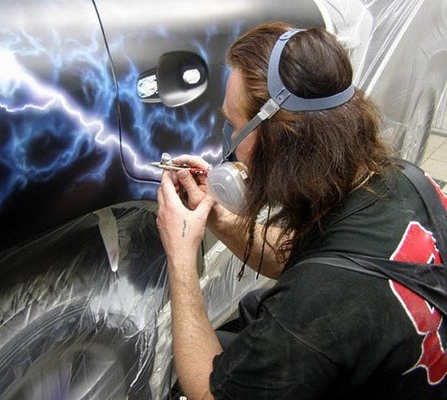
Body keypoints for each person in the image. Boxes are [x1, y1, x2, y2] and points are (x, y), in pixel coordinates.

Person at [156, 21, 447, 399]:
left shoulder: (312, 310)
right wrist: (220, 218)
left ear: (282, 139)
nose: (230, 144)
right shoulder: (404, 181)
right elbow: (309, 256)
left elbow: (211, 395)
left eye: (234, 125)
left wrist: (181, 257)